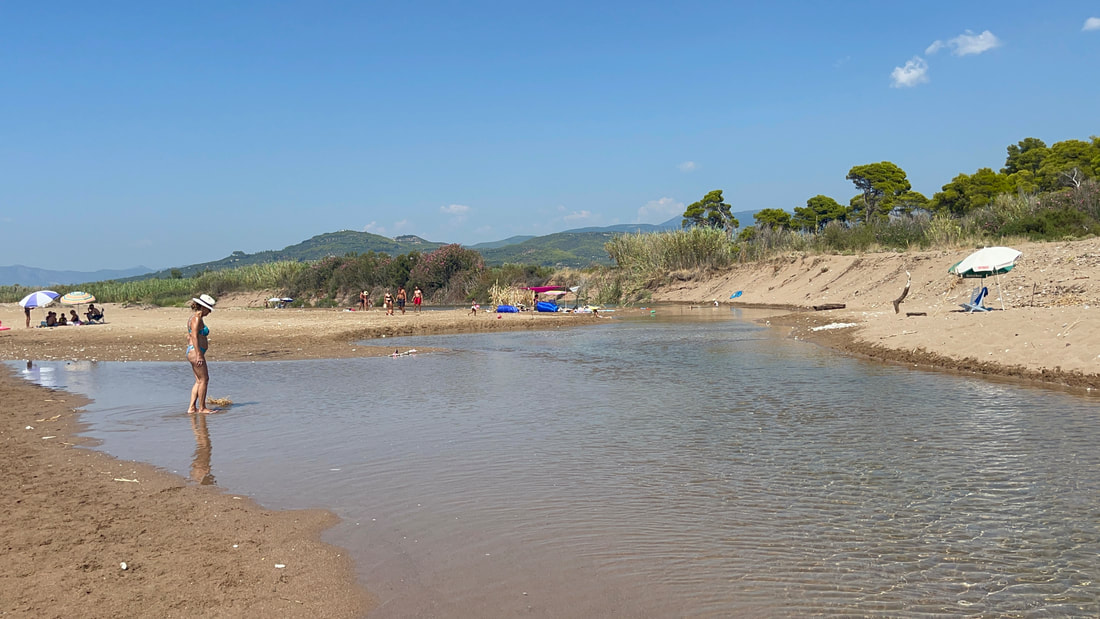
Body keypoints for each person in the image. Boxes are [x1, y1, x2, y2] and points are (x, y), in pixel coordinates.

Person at [187, 294, 218, 414]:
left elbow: (189, 335)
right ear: (203, 307)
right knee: (204, 379)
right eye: (208, 309)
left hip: (193, 351)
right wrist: (199, 354)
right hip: (196, 352)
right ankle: (202, 408)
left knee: (199, 381)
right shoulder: (196, 319)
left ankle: (192, 407)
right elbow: (194, 336)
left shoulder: (195, 318)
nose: (209, 312)